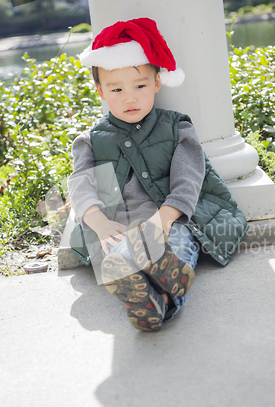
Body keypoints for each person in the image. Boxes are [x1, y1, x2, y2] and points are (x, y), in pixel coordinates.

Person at [68, 17, 248, 333]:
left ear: (157, 83)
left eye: (140, 86)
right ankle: (151, 295)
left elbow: (189, 178)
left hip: (169, 219)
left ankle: (158, 283)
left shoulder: (177, 128)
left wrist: (162, 219)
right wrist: (99, 223)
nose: (130, 97)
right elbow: (81, 184)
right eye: (117, 89)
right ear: (100, 91)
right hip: (119, 226)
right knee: (118, 252)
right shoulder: (90, 141)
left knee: (176, 244)